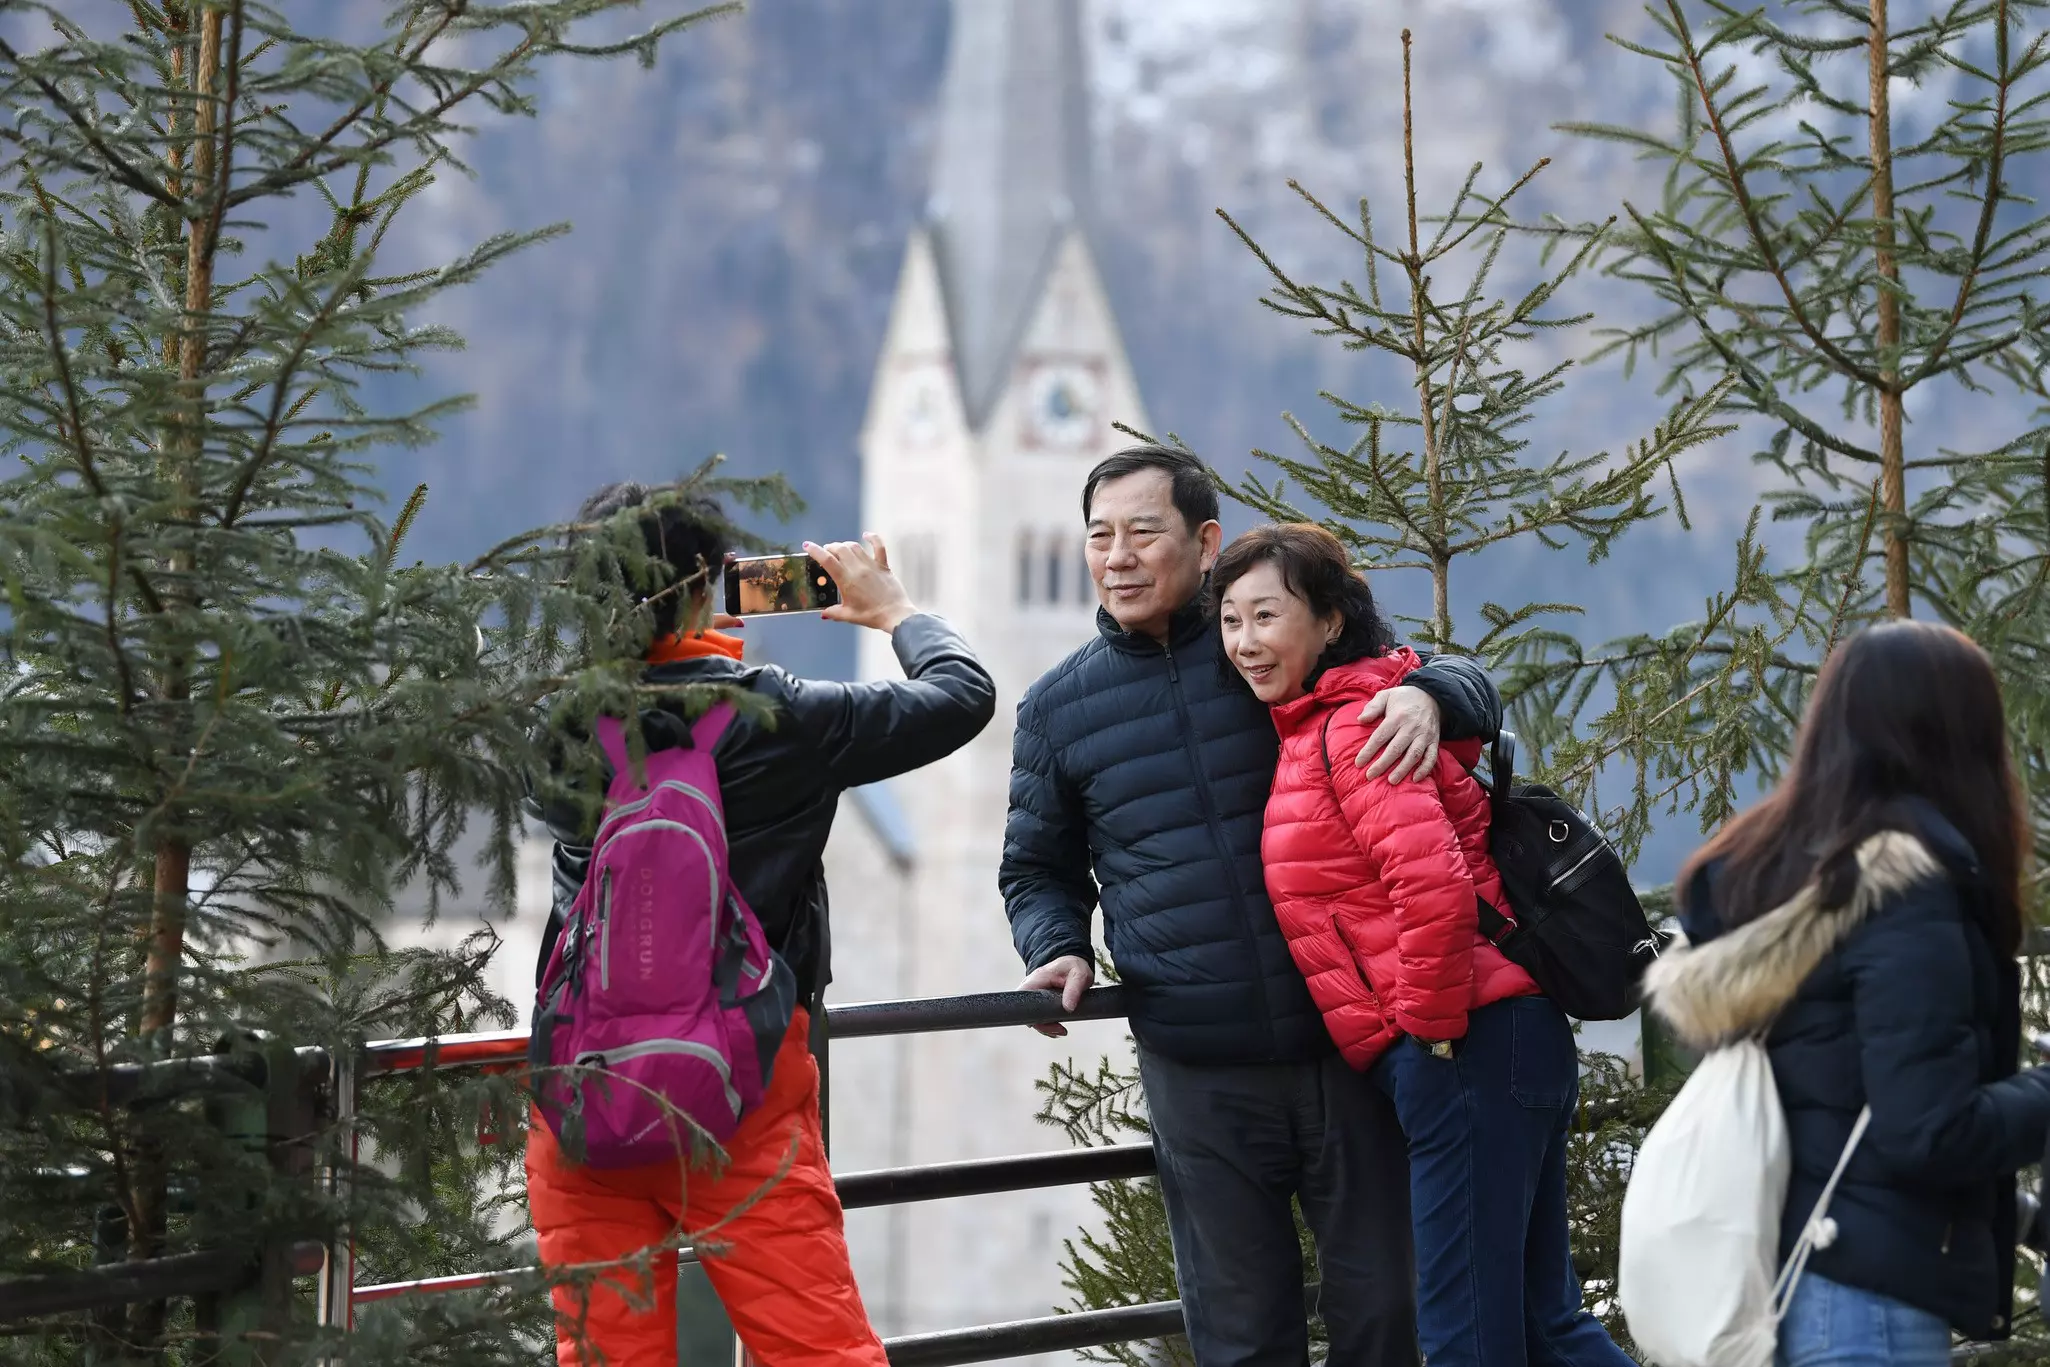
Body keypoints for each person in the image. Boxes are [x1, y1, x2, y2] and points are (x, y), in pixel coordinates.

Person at [1001, 447, 1504, 1367]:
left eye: (1142, 532)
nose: (1118, 556)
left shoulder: (1268, 645)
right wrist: (1057, 943)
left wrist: (1433, 695)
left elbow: (1442, 676)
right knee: (1241, 1339)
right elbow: (1036, 868)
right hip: (1198, 1071)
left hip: (1349, 1046)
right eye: (1099, 536)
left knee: (1388, 1314)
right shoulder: (1058, 709)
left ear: (1205, 543)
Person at [524, 484, 995, 1367]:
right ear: (707, 583)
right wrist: (892, 609)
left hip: (584, 1097)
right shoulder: (779, 717)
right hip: (738, 1098)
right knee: (820, 1354)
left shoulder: (557, 728)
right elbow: (962, 694)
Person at [1213, 522, 1631, 1367]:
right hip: (1502, 1040)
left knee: (1467, 1339)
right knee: (1544, 1324)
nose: (1246, 642)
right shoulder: (1337, 720)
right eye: (1230, 620)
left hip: (1468, 1045)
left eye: (1266, 615)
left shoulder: (1352, 731)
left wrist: (1429, 1035)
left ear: (1331, 621)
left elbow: (1432, 887)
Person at [1648, 620, 2050, 1367]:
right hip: (1869, 1311)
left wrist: (2013, 1216)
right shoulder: (1907, 895)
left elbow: (1836, 1109)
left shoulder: (1780, 877)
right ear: (1960, 739)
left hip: (1786, 1283)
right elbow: (1926, 1132)